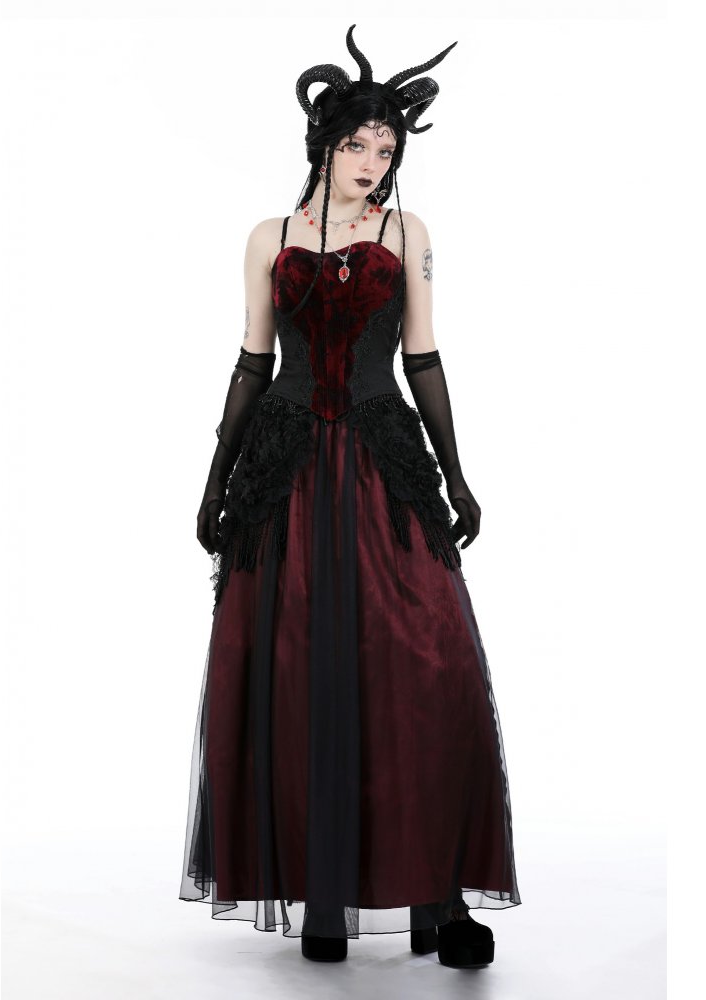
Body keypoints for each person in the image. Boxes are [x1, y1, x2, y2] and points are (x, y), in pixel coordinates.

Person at [179, 24, 521, 968]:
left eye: (387, 149)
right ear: (323, 145)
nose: (374, 163)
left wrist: (457, 473)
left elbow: (424, 358)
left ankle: (437, 895)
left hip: (380, 457)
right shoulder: (269, 237)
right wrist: (214, 482)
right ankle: (321, 900)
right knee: (296, 669)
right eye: (358, 145)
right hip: (286, 467)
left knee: (425, 660)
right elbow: (252, 362)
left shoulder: (409, 234)